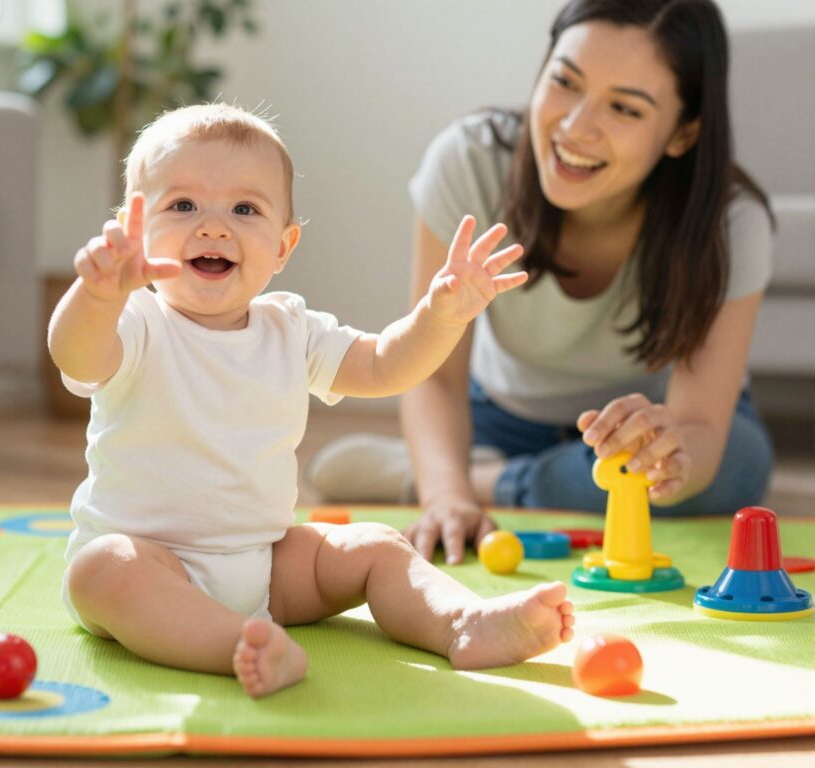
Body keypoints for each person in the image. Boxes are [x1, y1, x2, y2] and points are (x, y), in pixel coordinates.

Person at [48, 103, 575, 698]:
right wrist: (97, 295)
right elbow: (76, 356)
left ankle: (461, 623)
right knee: (103, 570)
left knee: (376, 546)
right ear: (133, 230)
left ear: (283, 246)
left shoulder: (291, 328)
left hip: (266, 566)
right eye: (183, 205)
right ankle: (237, 645)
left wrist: (441, 317)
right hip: (149, 562)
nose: (214, 227)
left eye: (245, 209)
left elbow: (383, 365)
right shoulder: (137, 322)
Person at [307, 0, 775, 566]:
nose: (575, 127)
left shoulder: (731, 223)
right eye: (565, 82)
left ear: (683, 133)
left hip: (653, 420)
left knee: (735, 470)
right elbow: (437, 377)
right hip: (504, 415)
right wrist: (446, 498)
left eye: (624, 108)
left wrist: (670, 454)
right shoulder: (471, 162)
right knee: (591, 481)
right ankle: (463, 474)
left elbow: (700, 423)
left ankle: (477, 478)